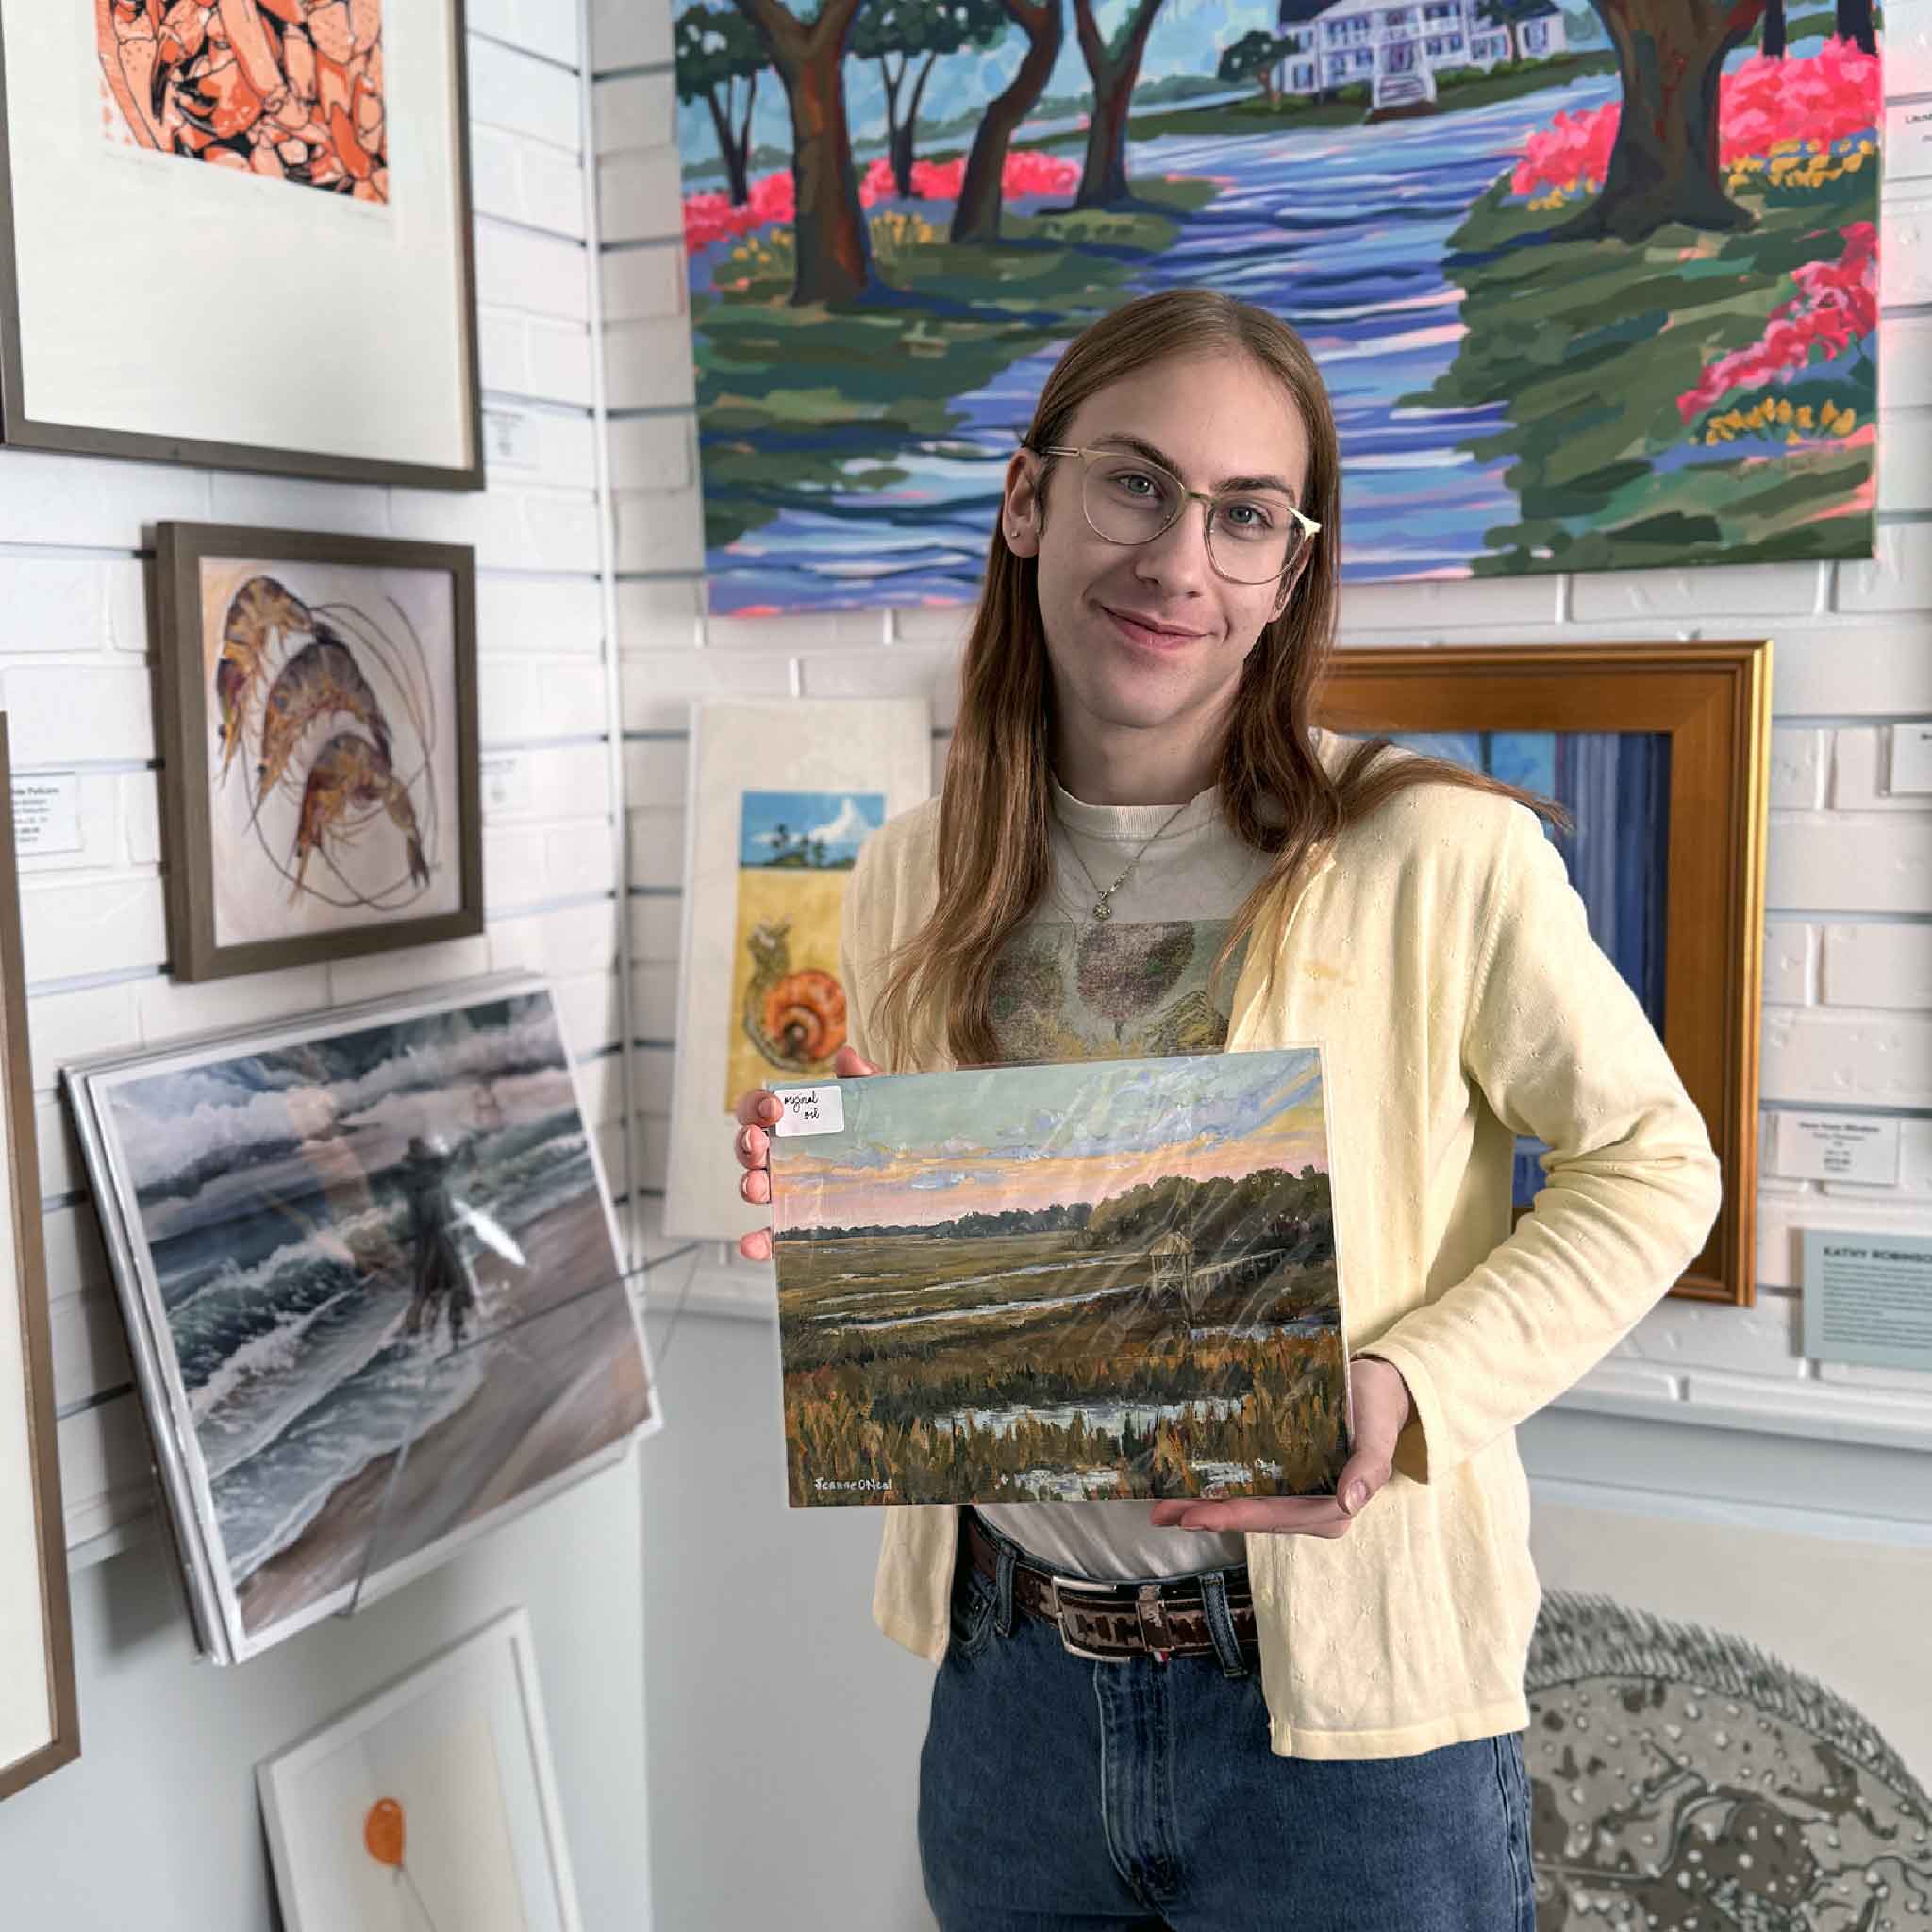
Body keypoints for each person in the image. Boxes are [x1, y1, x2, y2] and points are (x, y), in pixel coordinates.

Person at [731, 289, 1721, 1931]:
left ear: (1286, 570)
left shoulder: (1431, 851)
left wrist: (1410, 1381)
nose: (1178, 559)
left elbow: (1651, 1161)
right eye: (1133, 482)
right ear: (1027, 498)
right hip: (1011, 1696)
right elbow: (986, 1256)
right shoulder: (911, 869)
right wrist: (831, 1197)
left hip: (1336, 1730)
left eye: (1243, 514)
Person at [398, 1134, 475, 1349]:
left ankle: (428, 1337)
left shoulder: (421, 1183)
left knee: (430, 1293)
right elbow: (435, 1226)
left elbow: (446, 1163)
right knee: (449, 1288)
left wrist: (461, 1144)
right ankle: (449, 1335)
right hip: (440, 1246)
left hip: (433, 1245)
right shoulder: (429, 1187)